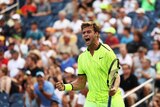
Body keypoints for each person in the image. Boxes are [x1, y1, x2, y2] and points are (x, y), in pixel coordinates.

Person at [56, 21, 124, 107]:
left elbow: (115, 75)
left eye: (89, 32)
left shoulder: (107, 51)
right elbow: (81, 83)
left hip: (111, 99)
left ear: (96, 34)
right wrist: (65, 87)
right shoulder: (82, 58)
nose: (85, 34)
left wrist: (115, 88)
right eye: (84, 32)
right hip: (93, 100)